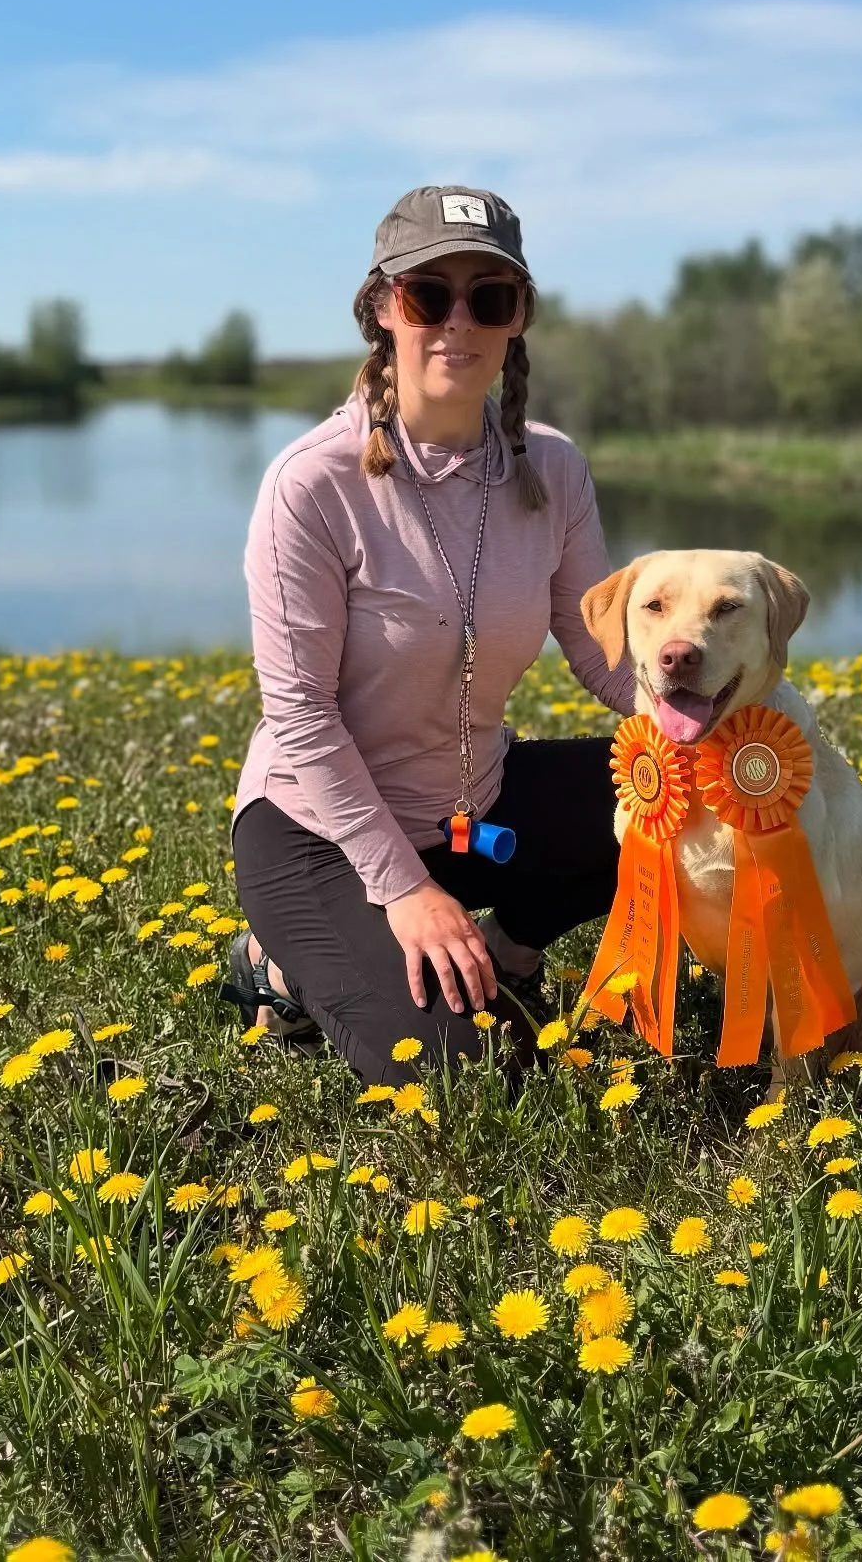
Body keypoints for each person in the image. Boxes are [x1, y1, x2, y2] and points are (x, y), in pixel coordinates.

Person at [226, 185, 637, 1087]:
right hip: (318, 833)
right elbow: (298, 714)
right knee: (477, 1070)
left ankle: (506, 948)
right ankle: (276, 962)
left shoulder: (553, 468)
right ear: (382, 307)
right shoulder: (311, 484)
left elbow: (599, 643)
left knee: (660, 805)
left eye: (490, 297)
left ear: (517, 317)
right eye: (428, 294)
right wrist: (405, 891)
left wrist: (712, 724)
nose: (461, 320)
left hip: (469, 808)